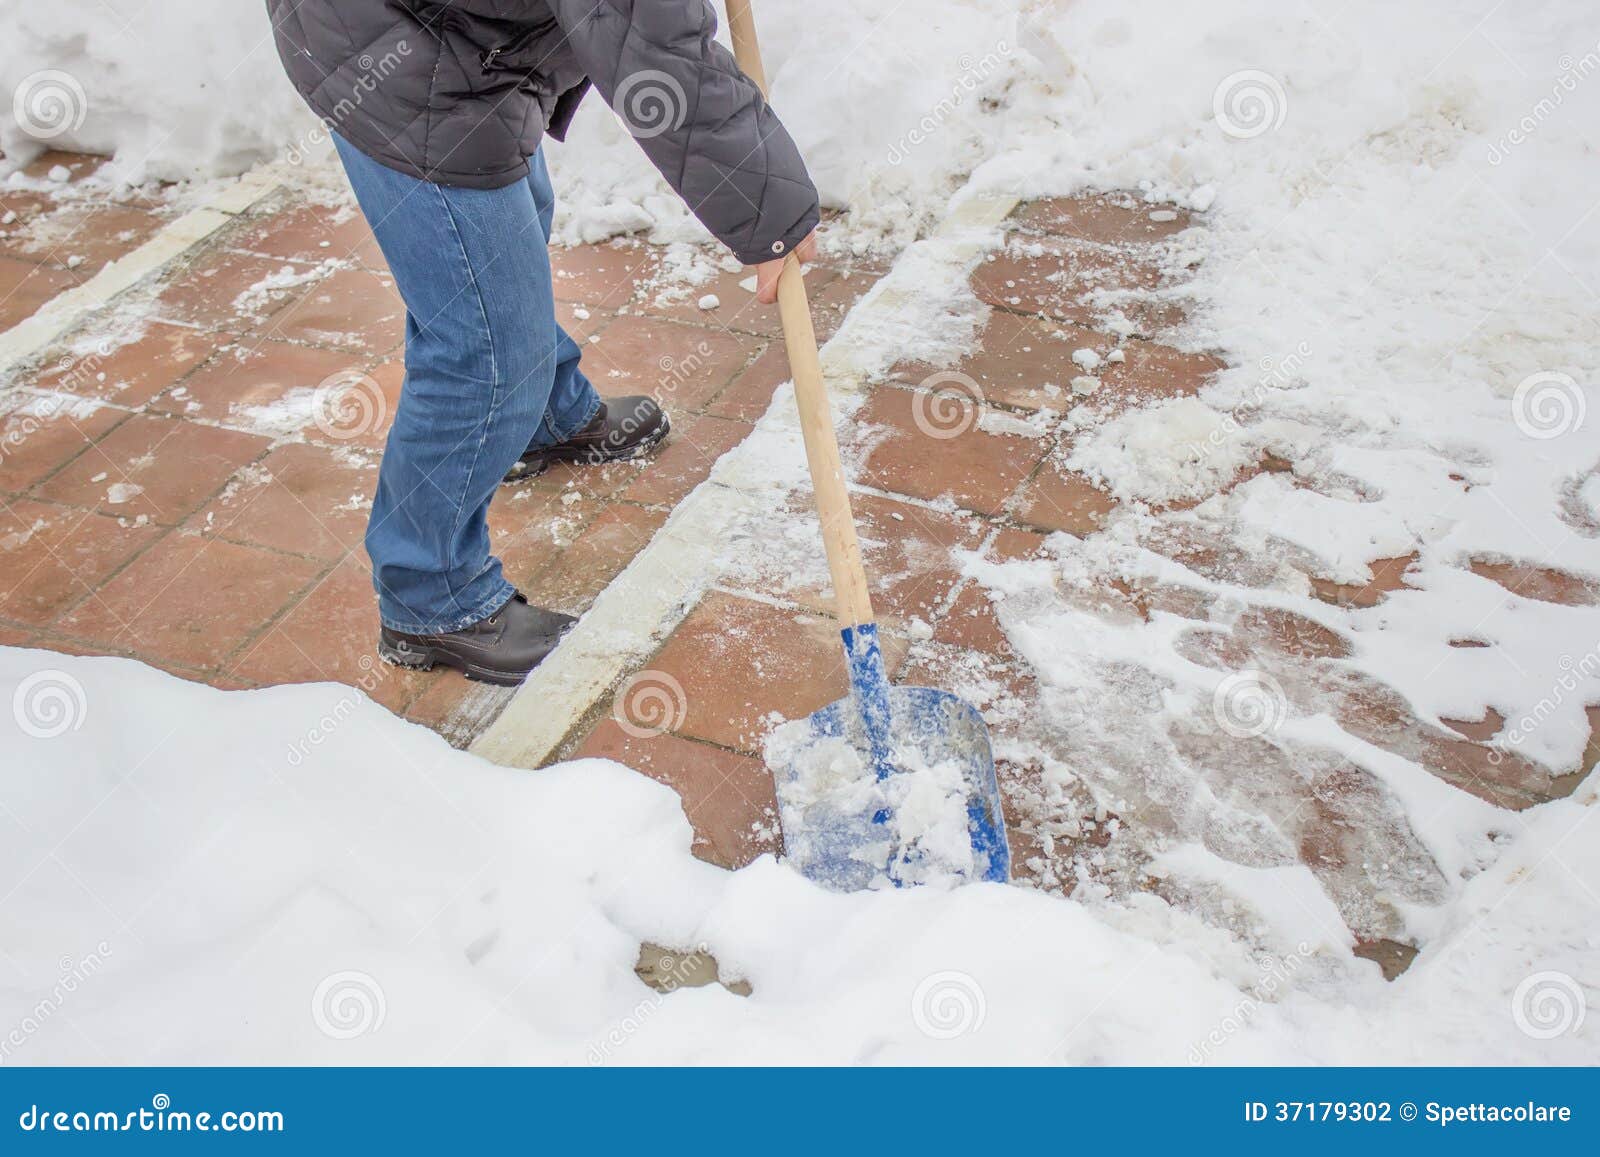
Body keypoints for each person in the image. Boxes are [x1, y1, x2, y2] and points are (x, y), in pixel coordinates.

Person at [266, 0, 819, 684]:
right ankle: (429, 593)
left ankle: (543, 416)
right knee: (488, 348)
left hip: (459, 36)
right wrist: (768, 210)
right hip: (392, 51)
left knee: (514, 226)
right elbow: (652, 47)